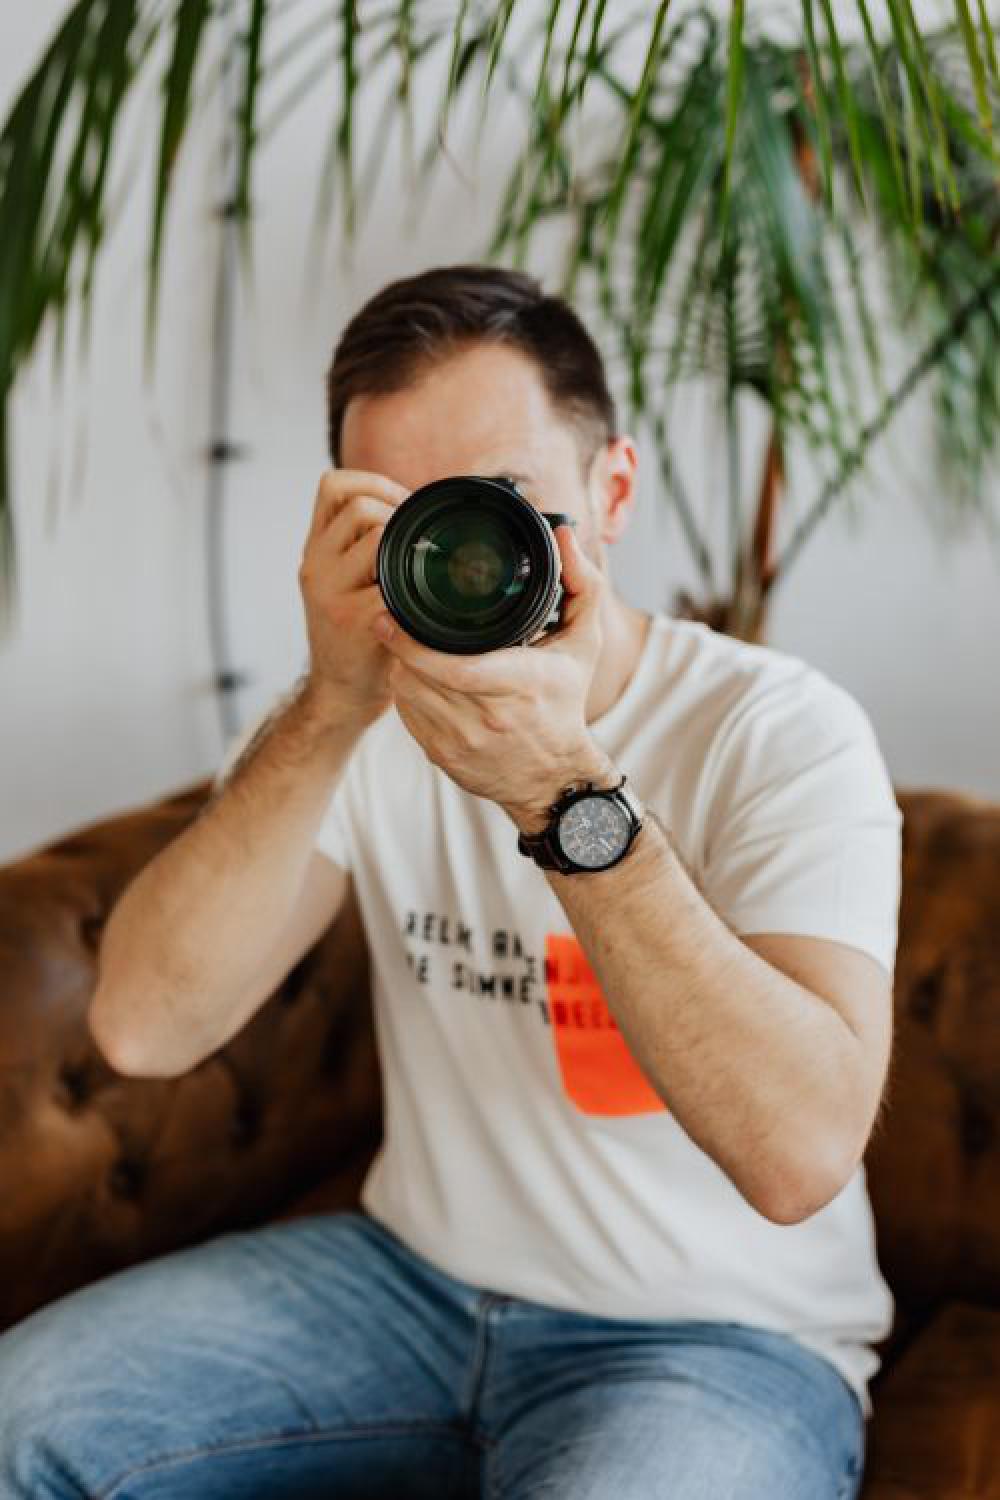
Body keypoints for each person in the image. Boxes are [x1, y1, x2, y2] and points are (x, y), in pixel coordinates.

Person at [0, 264, 901, 1499]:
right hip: (408, 1281)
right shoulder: (353, 715)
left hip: (719, 1336)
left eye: (508, 503)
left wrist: (562, 792)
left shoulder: (780, 730)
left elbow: (797, 1155)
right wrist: (329, 704)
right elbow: (143, 1028)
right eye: (415, 516)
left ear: (612, 491)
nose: (473, 550)